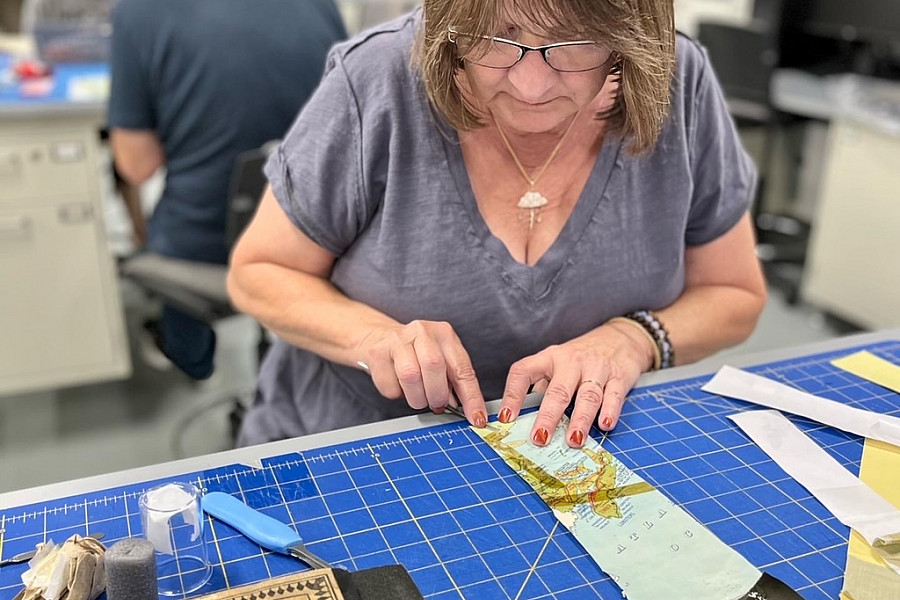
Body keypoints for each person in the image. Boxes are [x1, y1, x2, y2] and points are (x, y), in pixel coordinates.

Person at [228, 0, 768, 448]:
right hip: (357, 445)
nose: (531, 86)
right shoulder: (380, 77)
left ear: (628, 35)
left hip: (575, 451)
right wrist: (374, 338)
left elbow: (732, 293)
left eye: (575, 41)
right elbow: (258, 271)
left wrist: (634, 339)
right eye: (496, 37)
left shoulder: (679, 83)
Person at [107, 0, 347, 379]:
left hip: (208, 241)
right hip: (316, 227)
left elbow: (137, 166)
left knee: (170, 221)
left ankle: (191, 360)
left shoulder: (138, 12)